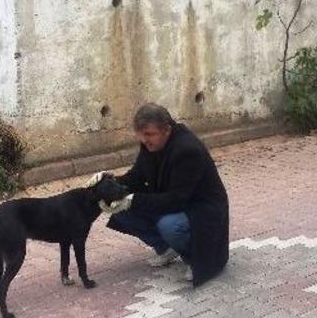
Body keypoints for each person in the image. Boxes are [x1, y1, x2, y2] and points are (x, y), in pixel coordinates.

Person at [88, 103, 230, 285]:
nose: (144, 139)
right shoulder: (151, 144)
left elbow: (176, 200)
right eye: (140, 134)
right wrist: (110, 183)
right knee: (118, 205)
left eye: (149, 134)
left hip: (201, 209)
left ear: (167, 130)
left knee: (169, 225)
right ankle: (166, 248)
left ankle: (197, 258)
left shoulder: (187, 150)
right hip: (172, 199)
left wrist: (133, 200)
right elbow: (136, 177)